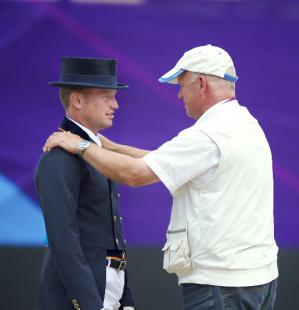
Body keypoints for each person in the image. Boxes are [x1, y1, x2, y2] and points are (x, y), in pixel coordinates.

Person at [44, 45, 279, 309]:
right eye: (106, 95)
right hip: (257, 278)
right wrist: (109, 147)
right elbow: (167, 160)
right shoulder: (245, 124)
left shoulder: (208, 135)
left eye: (181, 85)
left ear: (201, 84)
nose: (179, 94)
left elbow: (135, 174)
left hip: (221, 285)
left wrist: (81, 146)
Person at [35, 57, 135, 310]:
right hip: (81, 297)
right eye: (106, 96)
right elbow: (63, 241)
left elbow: (112, 238)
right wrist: (89, 304)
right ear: (77, 100)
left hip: (108, 290)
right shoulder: (59, 159)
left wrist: (126, 299)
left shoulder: (96, 151)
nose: (115, 104)